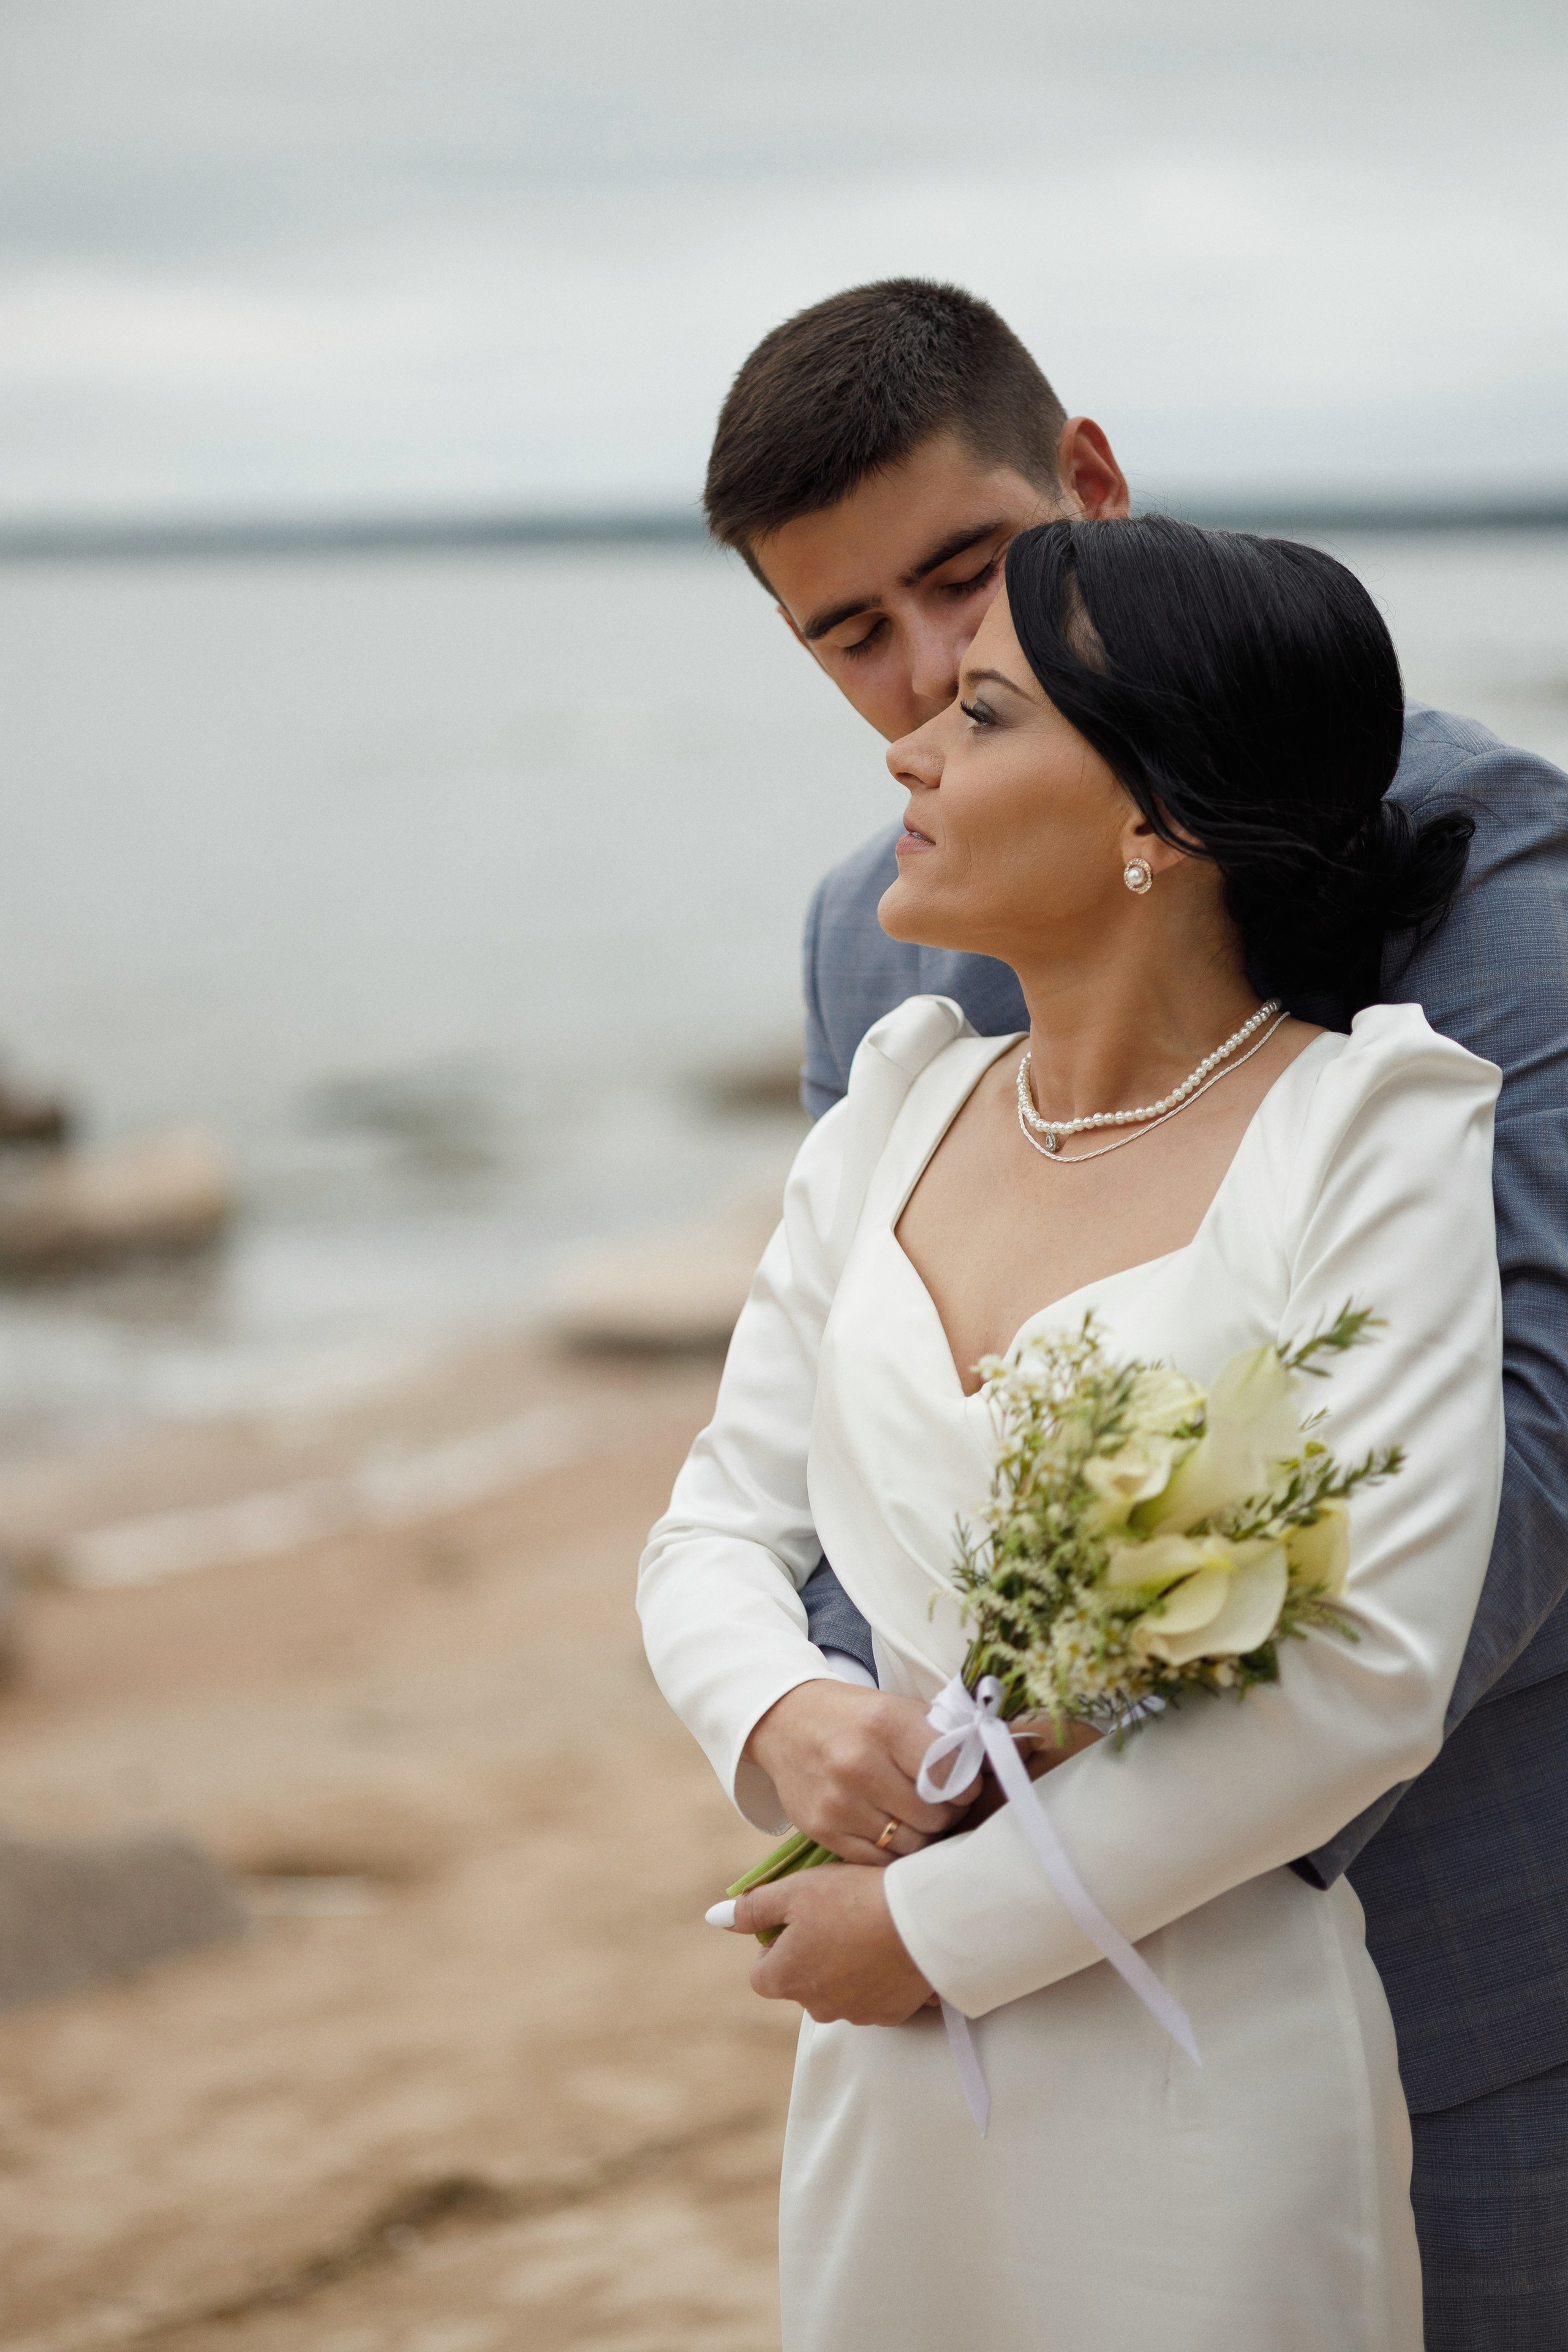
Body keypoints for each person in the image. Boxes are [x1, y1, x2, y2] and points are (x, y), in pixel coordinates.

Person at [695, 280, 1568, 2348]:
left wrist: (1009, 1872)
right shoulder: (870, 941)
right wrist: (851, 1756)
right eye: (848, 638)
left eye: (967, 584)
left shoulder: (1493, 865)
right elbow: (839, 1439)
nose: (921, 689)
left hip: (1449, 1936)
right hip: (961, 2043)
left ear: (1088, 488)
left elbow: (1521, 1456)